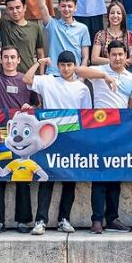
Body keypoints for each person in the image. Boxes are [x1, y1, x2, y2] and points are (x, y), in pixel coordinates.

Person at [0, 20, 45, 234]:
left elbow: (38, 104)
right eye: (5, 57)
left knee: (22, 176)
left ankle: (23, 220)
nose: (9, 61)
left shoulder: (26, 80)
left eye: (13, 58)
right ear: (1, 59)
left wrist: (31, 106)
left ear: (19, 60)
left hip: (22, 137)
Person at [23, 51, 92, 234]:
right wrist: (39, 62)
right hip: (49, 138)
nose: (66, 68)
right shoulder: (48, 81)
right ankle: (40, 220)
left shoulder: (82, 88)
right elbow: (27, 79)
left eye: (69, 65)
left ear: (75, 66)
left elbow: (86, 116)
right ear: (58, 66)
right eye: (62, 65)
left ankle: (64, 219)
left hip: (72, 138)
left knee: (69, 179)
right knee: (47, 178)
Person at [76, 39, 132, 234]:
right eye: (114, 54)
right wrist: (104, 75)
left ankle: (113, 218)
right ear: (108, 55)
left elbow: (131, 105)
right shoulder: (100, 71)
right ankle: (97, 219)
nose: (118, 58)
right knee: (99, 175)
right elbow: (79, 71)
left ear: (125, 56)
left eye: (121, 54)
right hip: (100, 127)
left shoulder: (131, 77)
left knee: (116, 176)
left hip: (120, 129)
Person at [0, 0, 46, 74]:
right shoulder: (4, 24)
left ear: (24, 7)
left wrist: (41, 75)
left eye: (18, 7)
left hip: (28, 75)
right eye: (11, 8)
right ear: (6, 10)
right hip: (7, 75)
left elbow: (40, 53)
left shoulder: (35, 27)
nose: (15, 11)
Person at [92, 1, 132, 66]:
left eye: (118, 13)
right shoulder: (100, 34)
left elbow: (131, 59)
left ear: (123, 16)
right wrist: (116, 62)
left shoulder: (128, 35)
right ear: (108, 16)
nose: (115, 16)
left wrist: (117, 63)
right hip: (104, 72)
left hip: (123, 72)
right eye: (112, 13)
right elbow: (94, 59)